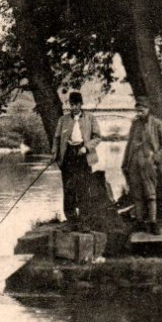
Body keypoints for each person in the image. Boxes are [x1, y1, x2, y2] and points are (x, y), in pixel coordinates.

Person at [121, 96, 162, 232]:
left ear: (148, 109)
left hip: (149, 164)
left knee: (150, 194)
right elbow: (129, 145)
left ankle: (152, 222)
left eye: (142, 110)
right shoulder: (135, 124)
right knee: (137, 194)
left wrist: (155, 158)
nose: (139, 113)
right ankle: (140, 222)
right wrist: (125, 164)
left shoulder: (157, 124)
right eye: (137, 111)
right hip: (134, 163)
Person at [51, 91, 101, 226]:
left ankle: (85, 221)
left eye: (75, 104)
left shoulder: (90, 118)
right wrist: (55, 153)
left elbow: (97, 137)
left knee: (84, 188)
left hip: (84, 156)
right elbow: (56, 138)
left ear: (81, 104)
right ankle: (71, 221)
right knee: (68, 188)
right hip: (68, 156)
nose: (73, 107)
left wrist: (86, 147)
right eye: (71, 104)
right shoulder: (63, 120)